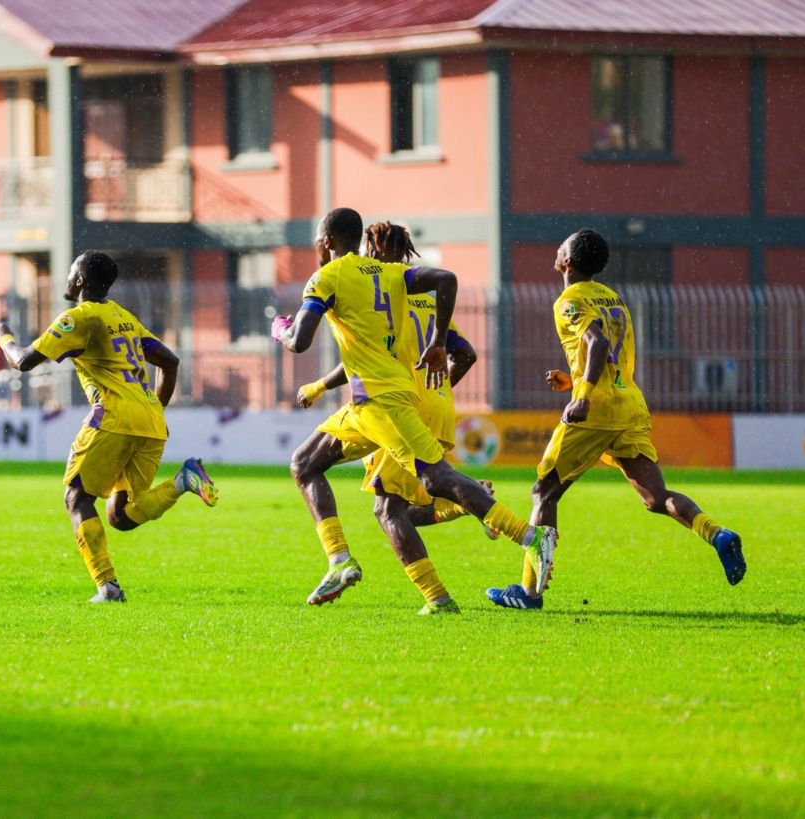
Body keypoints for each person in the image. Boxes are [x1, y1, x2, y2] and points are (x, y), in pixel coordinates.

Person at [273, 207, 557, 615]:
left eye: (318, 241)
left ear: (327, 241)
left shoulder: (328, 277)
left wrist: (280, 329)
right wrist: (438, 340)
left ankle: (529, 537)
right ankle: (340, 561)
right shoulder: (393, 277)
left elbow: (300, 341)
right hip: (374, 400)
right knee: (305, 463)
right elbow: (445, 280)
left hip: (385, 401)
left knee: (429, 481)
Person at [486, 229, 746, 610]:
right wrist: (574, 379)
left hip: (597, 410)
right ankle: (718, 535)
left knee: (544, 492)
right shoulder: (613, 298)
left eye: (563, 244)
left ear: (567, 261)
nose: (557, 247)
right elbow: (610, 355)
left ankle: (529, 592)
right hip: (629, 405)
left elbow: (598, 344)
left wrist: (583, 396)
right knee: (656, 498)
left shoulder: (569, 300)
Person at [0, 250, 219, 603]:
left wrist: (3, 337)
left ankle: (108, 588)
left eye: (71, 272)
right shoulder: (123, 317)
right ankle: (183, 480)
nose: (67, 278)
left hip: (112, 416)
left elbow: (22, 361)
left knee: (76, 497)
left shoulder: (78, 318)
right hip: (151, 421)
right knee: (121, 515)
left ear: (80, 280)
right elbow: (170, 362)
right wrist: (152, 409)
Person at [296, 221, 500, 539]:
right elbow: (467, 355)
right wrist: (436, 387)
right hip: (436, 408)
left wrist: (318, 387)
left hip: (396, 404)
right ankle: (469, 503)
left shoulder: (384, 297)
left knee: (388, 509)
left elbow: (365, 358)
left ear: (372, 249)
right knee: (400, 504)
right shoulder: (429, 301)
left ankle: (483, 508)